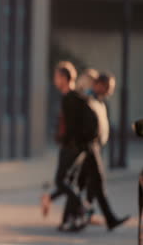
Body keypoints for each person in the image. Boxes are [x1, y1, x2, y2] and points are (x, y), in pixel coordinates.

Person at [78, 73, 129, 231]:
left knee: (87, 184)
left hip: (95, 146)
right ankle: (100, 217)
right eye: (108, 87)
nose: (110, 91)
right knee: (93, 182)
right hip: (89, 147)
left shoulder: (98, 100)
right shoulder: (88, 99)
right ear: (99, 84)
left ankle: (82, 215)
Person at [42, 61, 88, 231]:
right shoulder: (75, 97)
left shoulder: (70, 98)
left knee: (61, 181)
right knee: (68, 182)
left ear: (64, 78)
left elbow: (70, 126)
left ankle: (83, 207)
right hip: (76, 146)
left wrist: (64, 140)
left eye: (57, 76)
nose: (55, 80)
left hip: (70, 146)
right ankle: (69, 219)